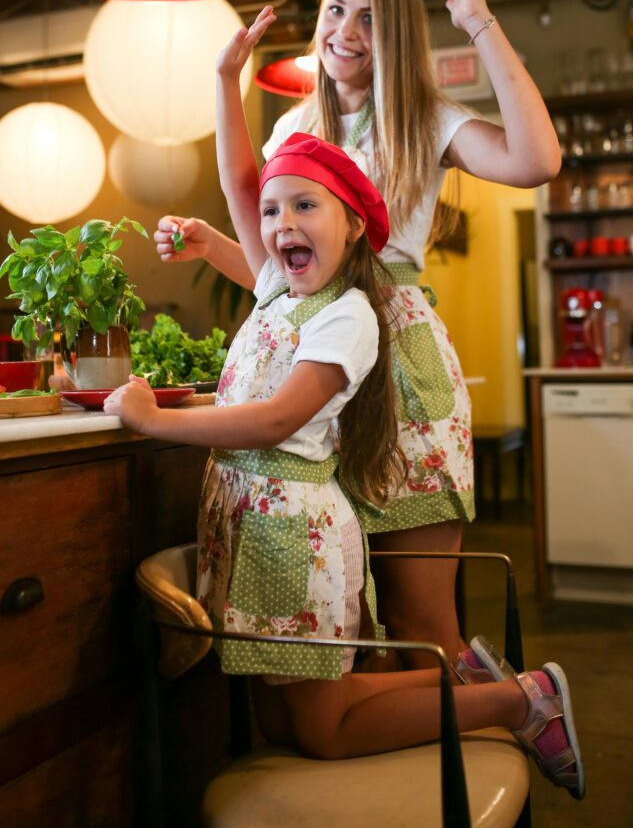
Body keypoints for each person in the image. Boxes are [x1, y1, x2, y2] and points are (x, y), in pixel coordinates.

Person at [106, 131, 582, 798]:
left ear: (354, 226)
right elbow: (246, 229)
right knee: (282, 722)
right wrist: (209, 241)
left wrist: (156, 420)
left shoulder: (348, 316)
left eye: (305, 205)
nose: (282, 223)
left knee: (324, 730)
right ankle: (464, 679)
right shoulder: (280, 294)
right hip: (258, 538)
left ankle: (520, 700)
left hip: (294, 541)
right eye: (270, 210)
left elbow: (277, 419)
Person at [154, 0, 562, 672]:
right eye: (336, 10)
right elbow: (274, 268)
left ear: (398, 31)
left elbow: (536, 160)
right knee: (351, 620)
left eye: (370, 17)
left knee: (416, 614)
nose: (345, 31)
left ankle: (507, 713)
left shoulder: (425, 118)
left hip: (399, 373)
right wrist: (224, 89)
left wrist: (477, 21)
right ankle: (476, 717)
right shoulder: (295, 124)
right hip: (315, 370)